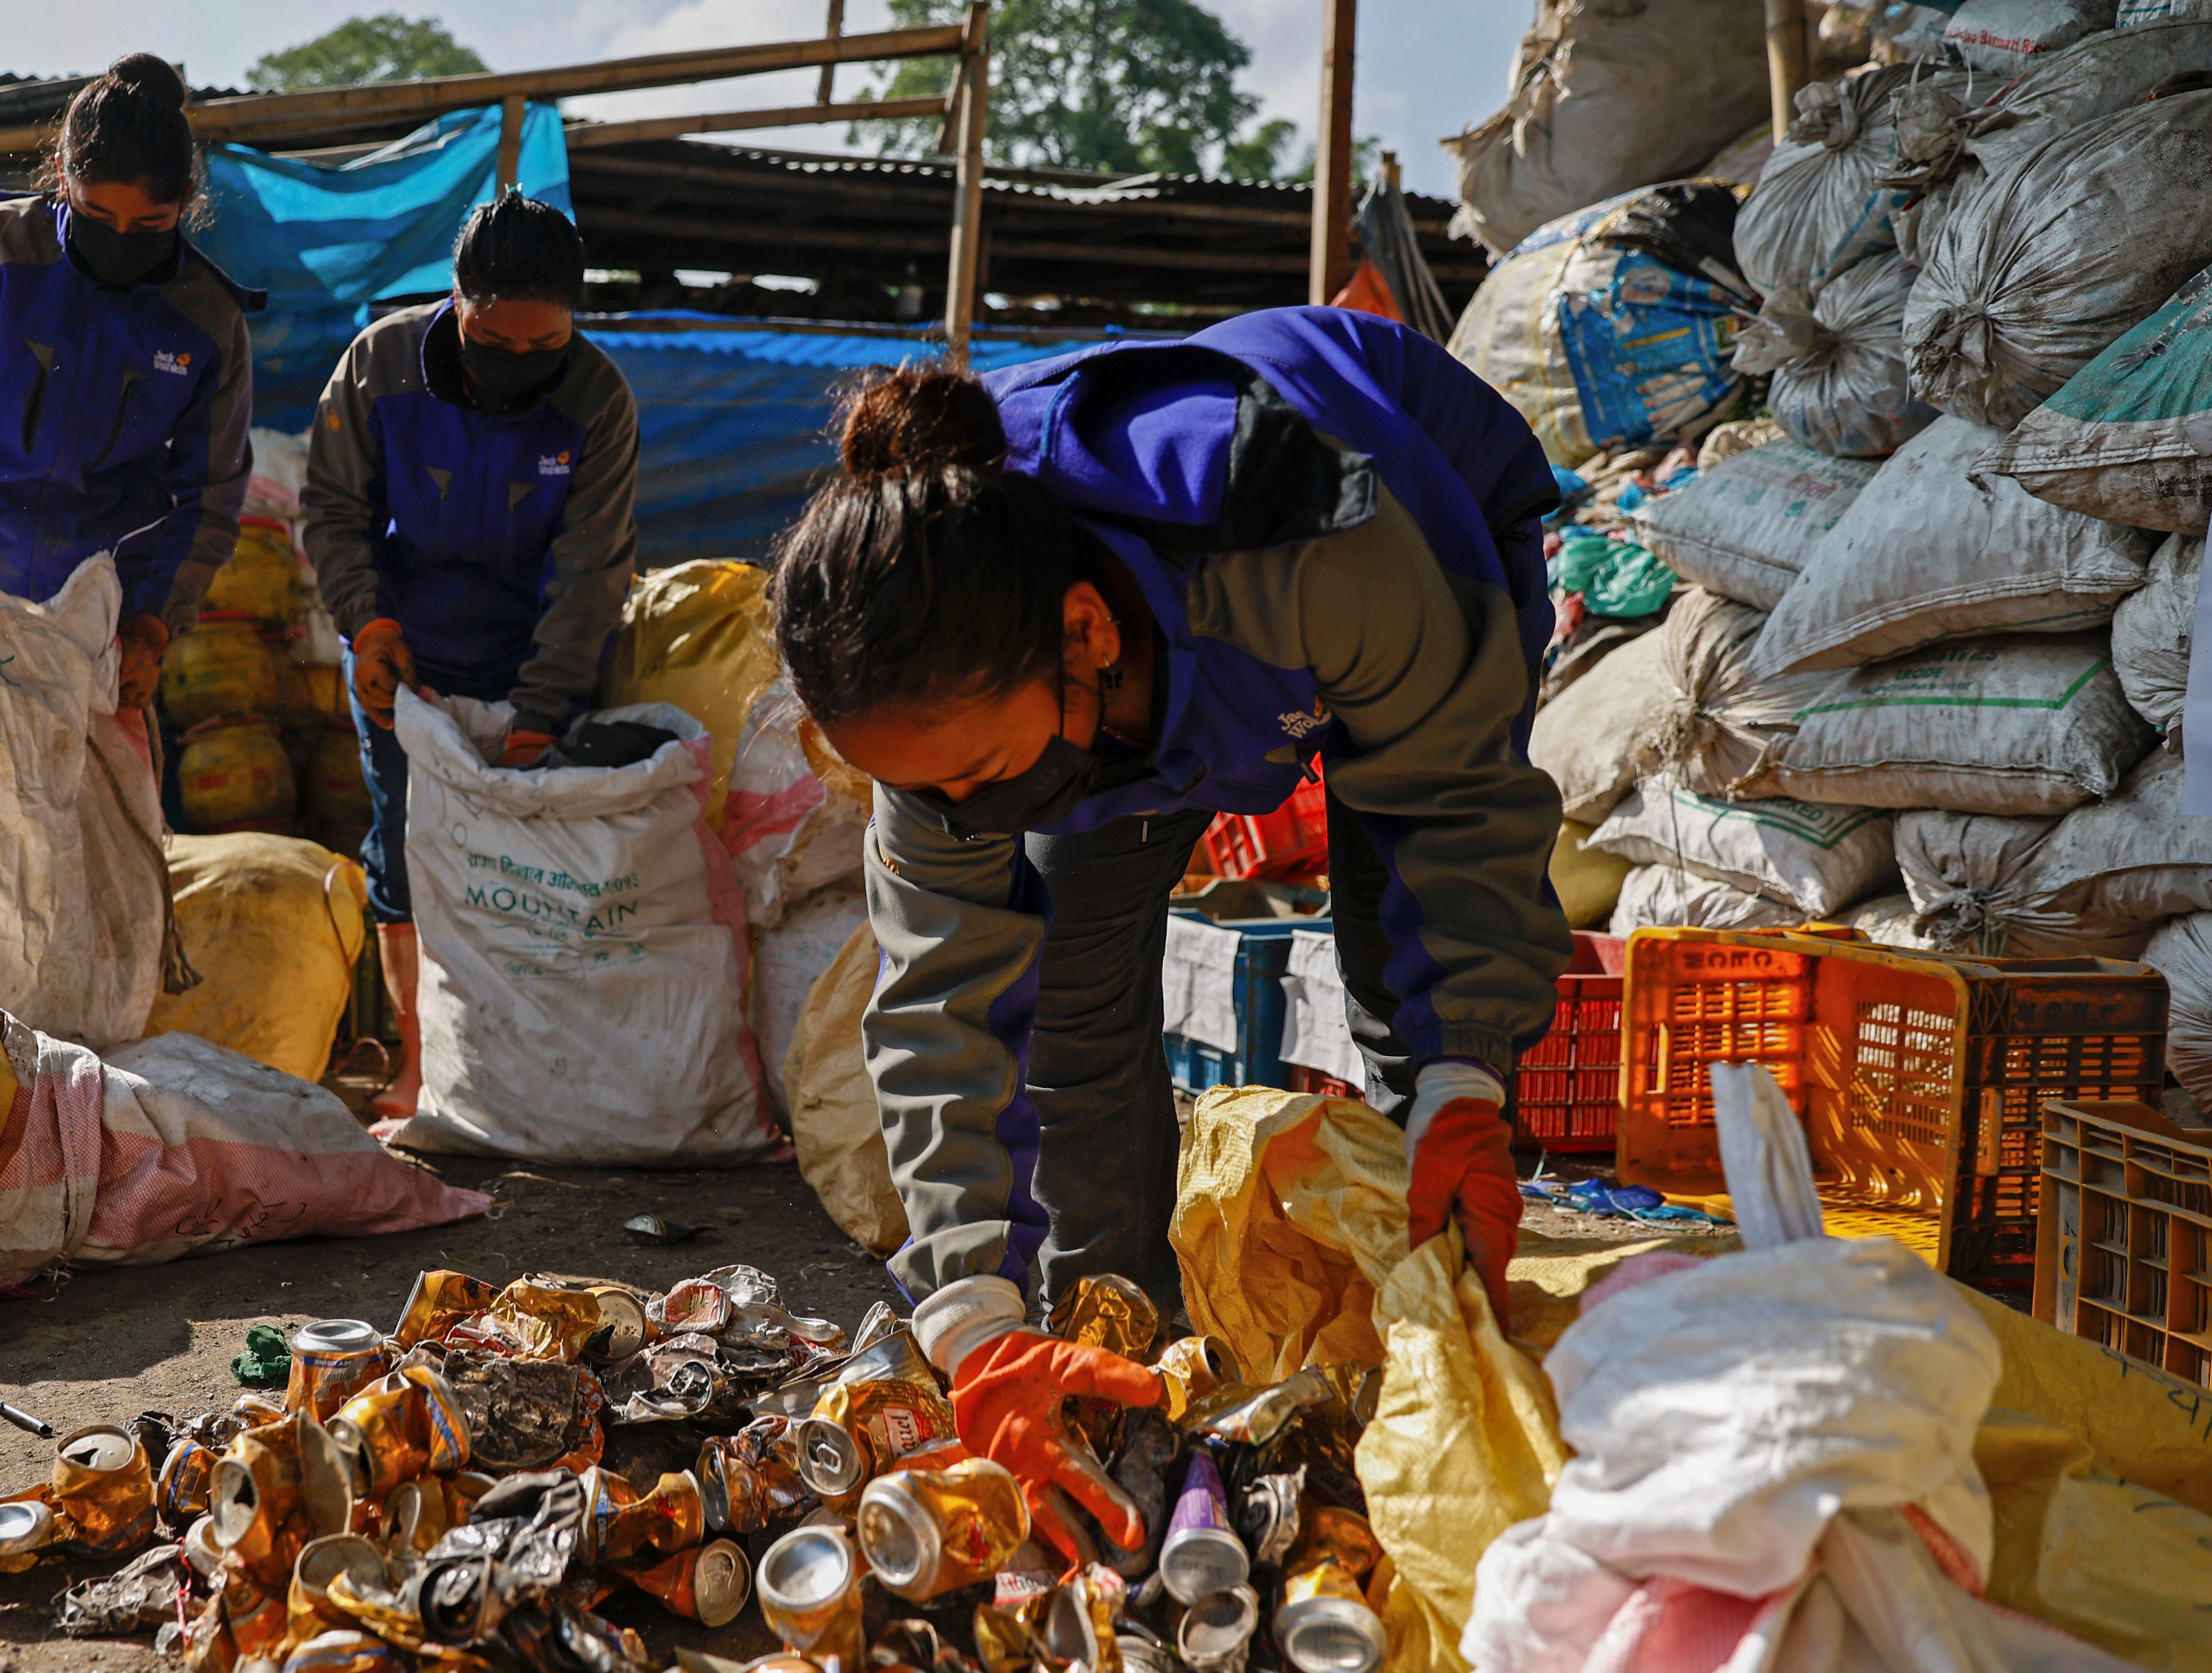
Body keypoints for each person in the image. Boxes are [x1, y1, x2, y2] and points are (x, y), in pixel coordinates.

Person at [768, 306, 1570, 1549]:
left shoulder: (1308, 545)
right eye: (925, 791)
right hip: (1110, 686)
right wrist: (973, 1317)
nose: (953, 814)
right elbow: (942, 1004)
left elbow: (1451, 807)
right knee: (1071, 1003)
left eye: (972, 773)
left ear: (1086, 634)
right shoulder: (937, 714)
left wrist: (1465, 1069)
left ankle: (1429, 1367)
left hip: (1409, 528)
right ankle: (1118, 1361)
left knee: (1407, 978)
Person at [302, 194, 640, 1128]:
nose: (519, 365)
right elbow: (333, 510)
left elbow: (591, 567)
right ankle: (425, 1072)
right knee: (409, 856)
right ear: (457, 300)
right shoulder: (378, 366)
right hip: (404, 662)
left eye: (544, 348)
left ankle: (536, 1074)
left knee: (540, 871)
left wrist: (543, 709)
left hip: (540, 660)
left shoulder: (598, 399)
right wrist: (368, 629)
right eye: (496, 340)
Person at [0, 51, 259, 716]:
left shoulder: (207, 321)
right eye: (98, 218)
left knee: (79, 814)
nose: (123, 240)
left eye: (151, 226)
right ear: (60, 176)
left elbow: (210, 497)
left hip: (96, 623)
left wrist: (152, 625)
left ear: (186, 205)